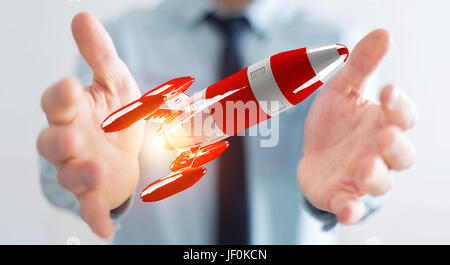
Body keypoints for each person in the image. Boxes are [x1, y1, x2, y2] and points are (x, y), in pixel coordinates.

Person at [37, 0, 417, 244]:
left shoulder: (338, 45)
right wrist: (104, 190)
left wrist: (355, 185)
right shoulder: (119, 42)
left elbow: (370, 178)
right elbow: (62, 176)